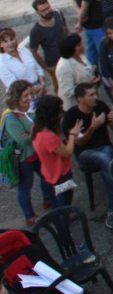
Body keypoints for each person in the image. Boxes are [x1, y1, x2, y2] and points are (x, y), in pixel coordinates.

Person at [62, 82, 113, 229]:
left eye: (96, 94)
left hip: (105, 148)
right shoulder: (71, 117)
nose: (96, 97)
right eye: (91, 95)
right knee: (107, 159)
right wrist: (92, 127)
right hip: (85, 154)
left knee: (107, 159)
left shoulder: (100, 106)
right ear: (79, 99)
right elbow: (80, 143)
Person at [2, 81, 55, 226]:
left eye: (31, 94)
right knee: (25, 188)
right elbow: (22, 140)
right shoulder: (11, 118)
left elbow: (32, 134)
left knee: (46, 178)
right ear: (16, 97)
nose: (29, 98)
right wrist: (36, 131)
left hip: (37, 154)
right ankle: (29, 216)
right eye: (25, 95)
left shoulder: (29, 111)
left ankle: (49, 200)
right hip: (24, 159)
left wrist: (31, 132)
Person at [30, 95, 80, 209]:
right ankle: (63, 222)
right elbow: (68, 152)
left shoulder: (36, 127)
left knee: (59, 201)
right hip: (60, 174)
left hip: (49, 171)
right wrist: (72, 134)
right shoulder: (48, 136)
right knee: (64, 202)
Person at [28, 0, 67, 92]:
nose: (47, 12)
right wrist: (46, 68)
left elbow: (66, 30)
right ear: (37, 12)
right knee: (59, 87)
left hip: (68, 55)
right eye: (43, 11)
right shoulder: (36, 31)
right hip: (53, 63)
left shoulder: (58, 14)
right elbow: (34, 51)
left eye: (48, 8)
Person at [0, 27, 46, 97]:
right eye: (5, 41)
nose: (10, 43)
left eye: (12, 39)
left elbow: (38, 68)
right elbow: (14, 85)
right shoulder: (2, 62)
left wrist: (42, 84)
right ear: (1, 44)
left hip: (40, 89)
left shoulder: (24, 50)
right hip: (22, 97)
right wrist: (34, 91)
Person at [55, 34, 97, 110]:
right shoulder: (63, 67)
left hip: (88, 100)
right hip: (76, 105)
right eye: (79, 45)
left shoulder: (80, 55)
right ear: (72, 48)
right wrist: (87, 85)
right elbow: (67, 91)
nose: (82, 46)